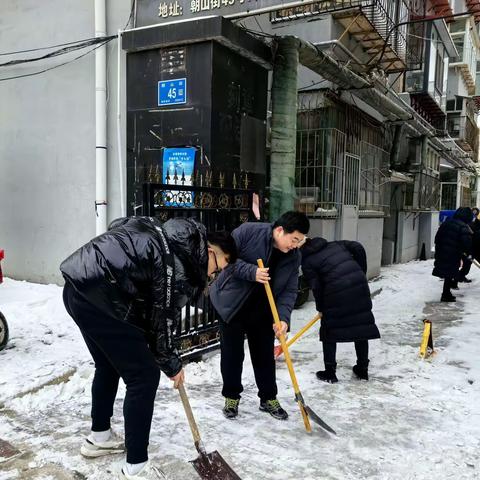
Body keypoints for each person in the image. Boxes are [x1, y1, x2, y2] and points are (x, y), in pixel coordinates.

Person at [60, 216, 236, 480]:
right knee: (143, 376)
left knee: (108, 364)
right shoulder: (173, 263)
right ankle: (136, 466)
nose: (215, 275)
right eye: (220, 267)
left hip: (77, 287)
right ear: (210, 252)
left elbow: (118, 224)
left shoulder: (161, 233)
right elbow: (162, 319)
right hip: (100, 297)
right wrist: (171, 364)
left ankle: (99, 437)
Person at [209, 211, 309, 420]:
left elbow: (290, 289)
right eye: (294, 240)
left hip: (264, 310)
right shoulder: (248, 232)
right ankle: (231, 397)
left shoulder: (294, 256)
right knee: (232, 354)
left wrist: (283, 318)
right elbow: (226, 260)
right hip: (232, 305)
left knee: (264, 356)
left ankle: (268, 398)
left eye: (299, 242)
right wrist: (252, 272)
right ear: (280, 231)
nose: (295, 245)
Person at [301, 238, 380, 383]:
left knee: (329, 330)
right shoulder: (335, 244)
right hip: (358, 286)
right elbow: (357, 246)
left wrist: (321, 308)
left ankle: (330, 372)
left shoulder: (307, 261)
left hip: (335, 292)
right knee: (361, 325)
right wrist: (360, 272)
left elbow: (316, 287)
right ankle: (362, 369)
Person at [433, 207, 473, 302]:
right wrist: (468, 253)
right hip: (453, 253)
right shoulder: (463, 227)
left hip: (442, 250)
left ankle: (446, 293)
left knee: (448, 272)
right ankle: (446, 294)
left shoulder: (446, 223)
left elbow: (437, 238)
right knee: (450, 272)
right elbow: (466, 243)